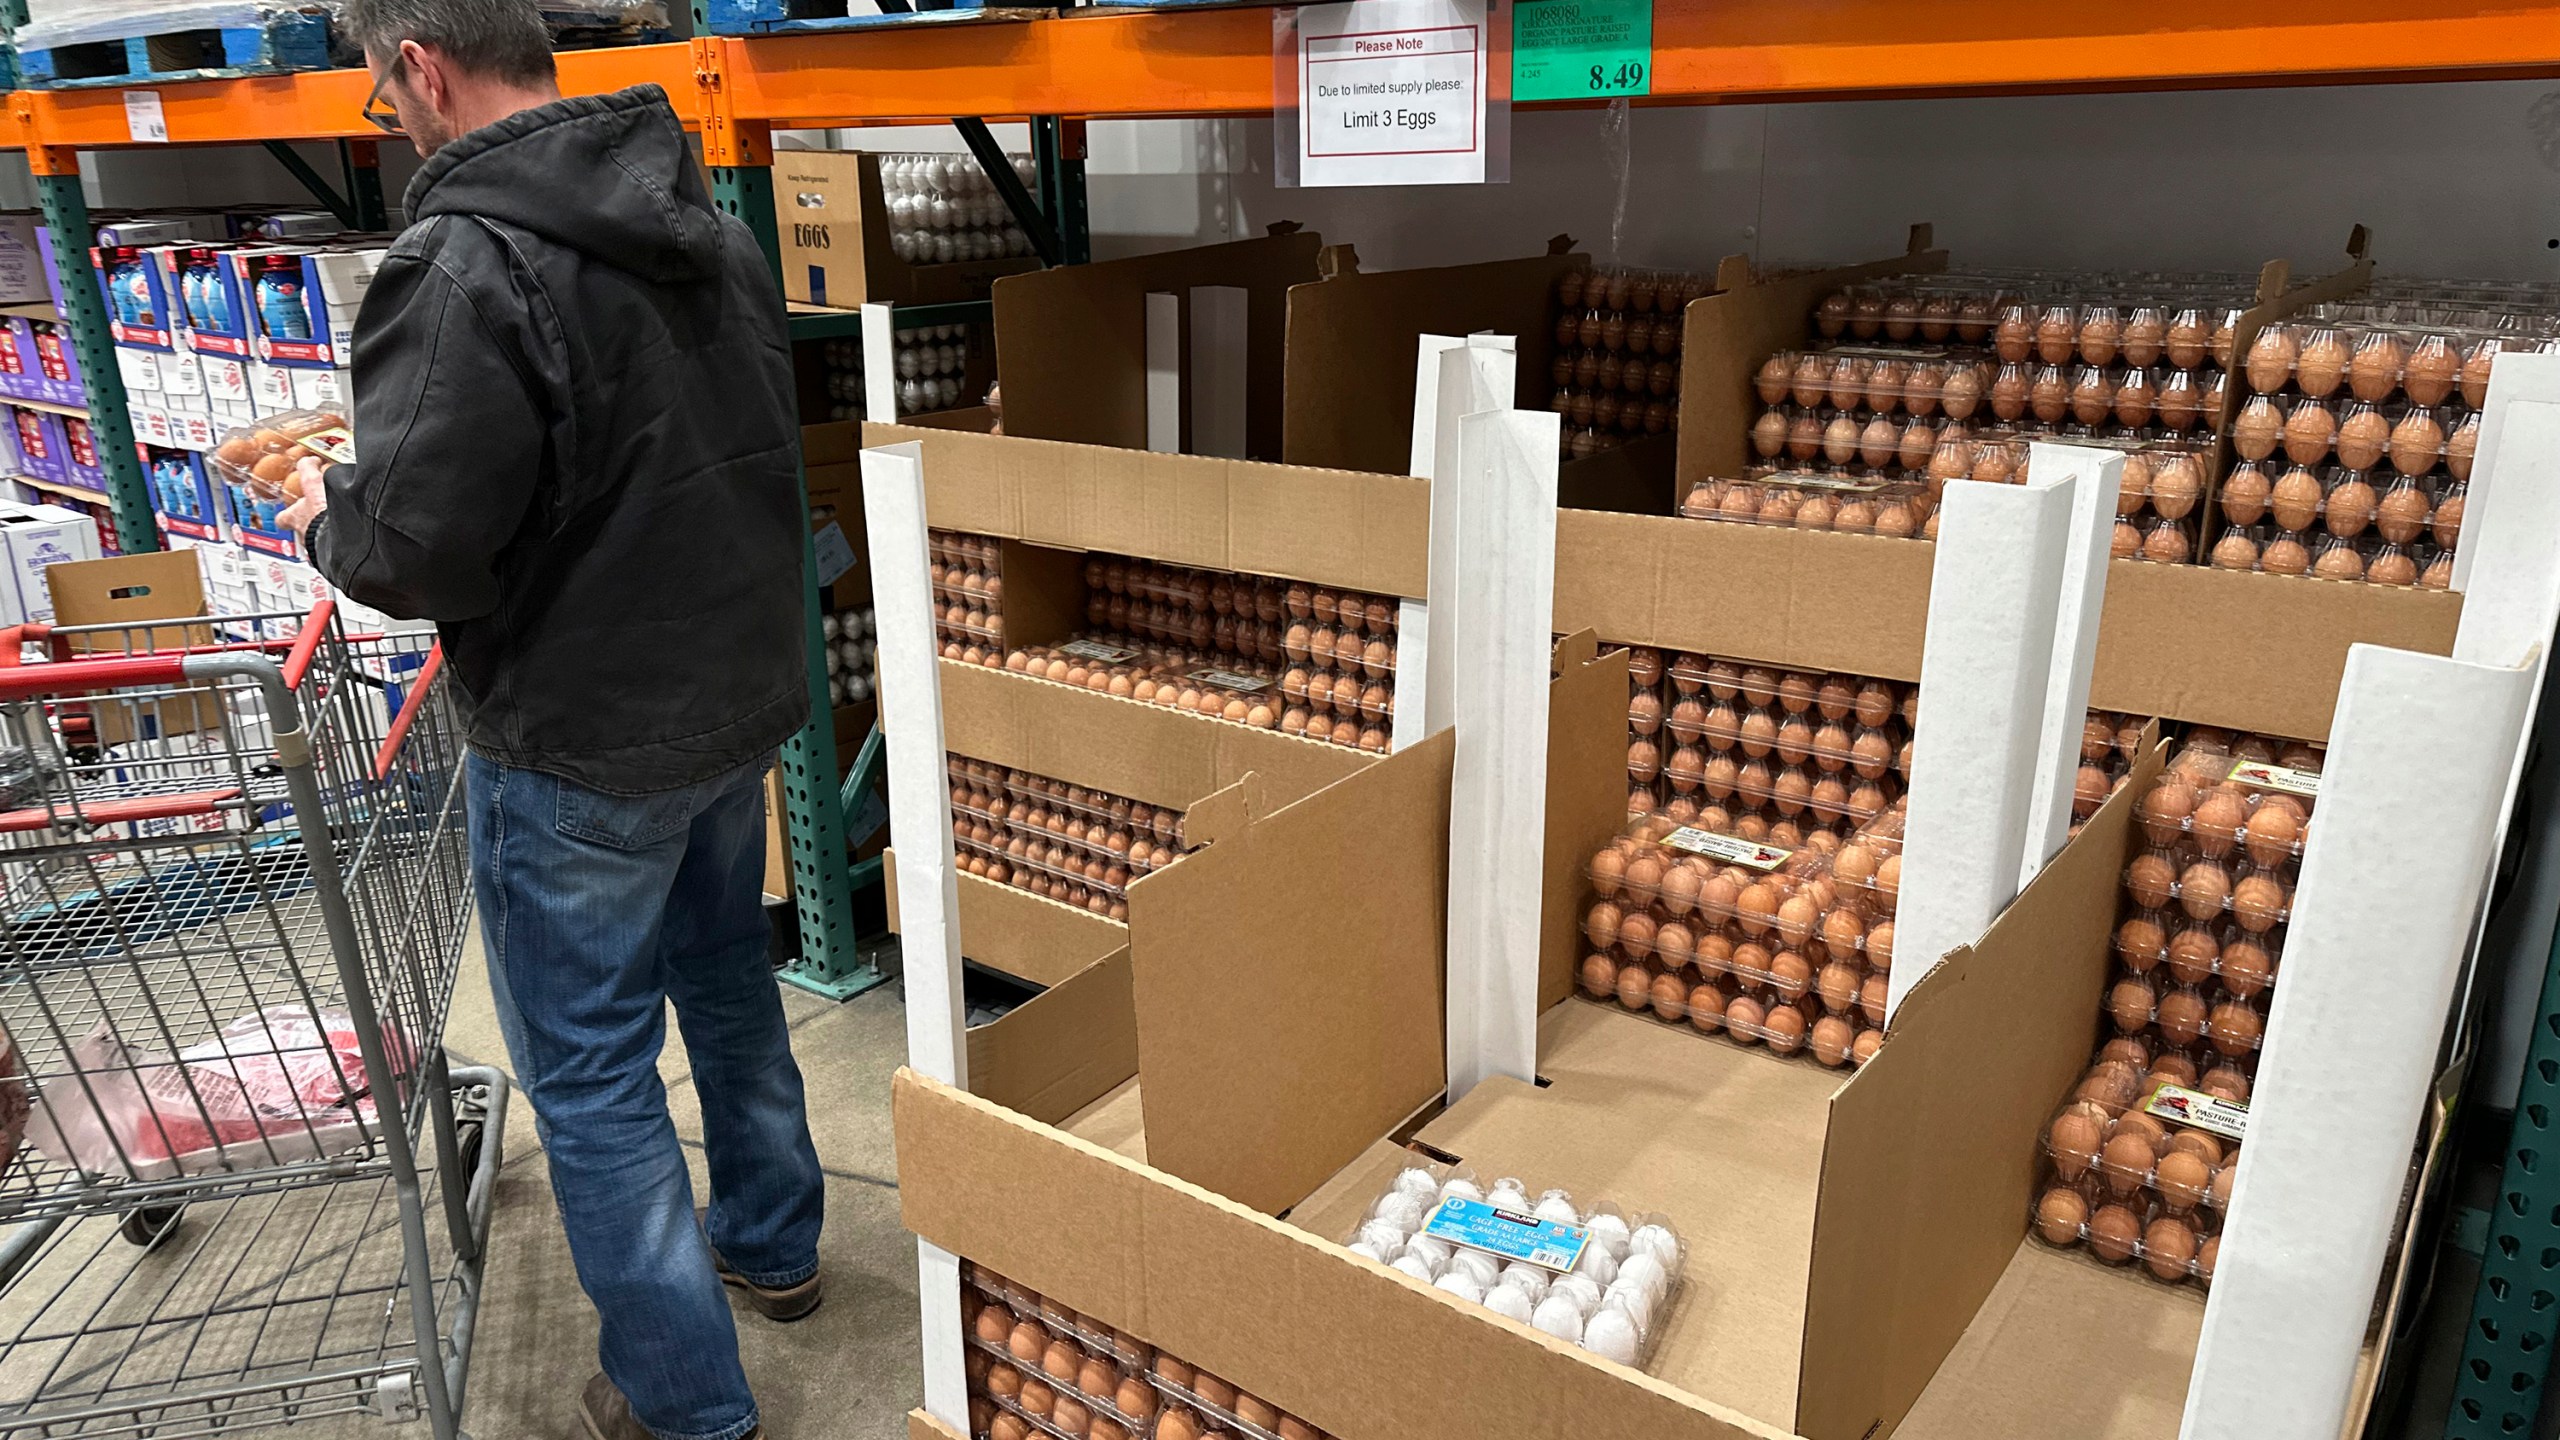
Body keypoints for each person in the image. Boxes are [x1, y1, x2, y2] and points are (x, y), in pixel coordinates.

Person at [279, 3, 823, 1437]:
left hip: (580, 739)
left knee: (588, 1076)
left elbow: (412, 551)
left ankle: (681, 1400)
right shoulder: (708, 227)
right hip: (730, 697)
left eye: (379, 85)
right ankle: (774, 1246)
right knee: (727, 980)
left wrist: (328, 515)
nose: (386, 112)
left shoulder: (459, 264)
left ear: (422, 65)